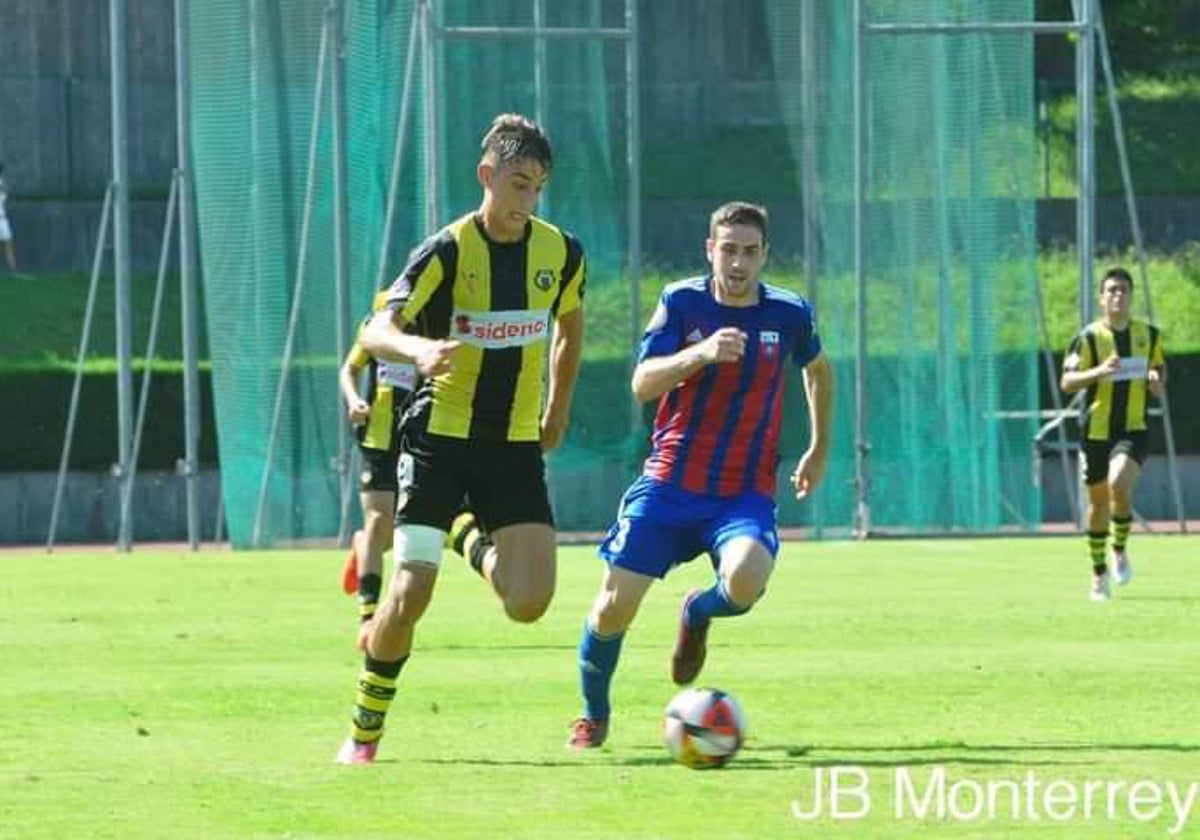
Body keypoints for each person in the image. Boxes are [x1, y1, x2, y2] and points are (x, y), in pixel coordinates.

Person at [335, 113, 586, 765]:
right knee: (412, 590)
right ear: (487, 177)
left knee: (528, 604)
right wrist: (417, 347)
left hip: (512, 449)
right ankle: (364, 732)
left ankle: (465, 533)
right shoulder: (445, 251)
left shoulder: (561, 253)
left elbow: (571, 327)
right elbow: (374, 332)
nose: (526, 201)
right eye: (517, 184)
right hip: (438, 443)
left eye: (537, 188)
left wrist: (557, 407)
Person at [566, 201, 833, 749]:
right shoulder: (681, 302)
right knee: (613, 608)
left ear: (765, 256)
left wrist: (819, 447)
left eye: (750, 251)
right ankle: (595, 712)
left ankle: (697, 611)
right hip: (669, 485)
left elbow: (819, 373)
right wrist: (701, 353)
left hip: (742, 493)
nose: (738, 262)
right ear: (710, 250)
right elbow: (643, 383)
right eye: (728, 249)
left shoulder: (789, 313)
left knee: (746, 579)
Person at [1061, 266, 1165, 602]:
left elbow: (1159, 381)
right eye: (1112, 290)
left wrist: (1154, 382)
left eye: (1123, 289)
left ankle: (1119, 549)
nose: (1118, 295)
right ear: (1101, 298)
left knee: (1120, 482)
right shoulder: (1088, 338)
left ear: (1131, 296)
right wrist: (1099, 371)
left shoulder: (1148, 336)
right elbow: (1067, 383)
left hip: (1133, 428)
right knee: (1098, 503)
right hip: (1096, 431)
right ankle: (1098, 573)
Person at [337, 291, 416, 648]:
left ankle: (362, 545)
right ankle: (368, 617)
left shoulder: (434, 329)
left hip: (418, 437)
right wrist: (354, 400)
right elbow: (349, 369)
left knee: (391, 533)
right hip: (378, 437)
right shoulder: (375, 326)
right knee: (379, 521)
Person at [0, 161, 23, 275]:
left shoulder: (2, 183)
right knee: (8, 245)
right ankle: (13, 271)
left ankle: (13, 271)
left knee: (8, 244)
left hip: (2, 218)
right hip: (2, 218)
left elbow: (4, 195)